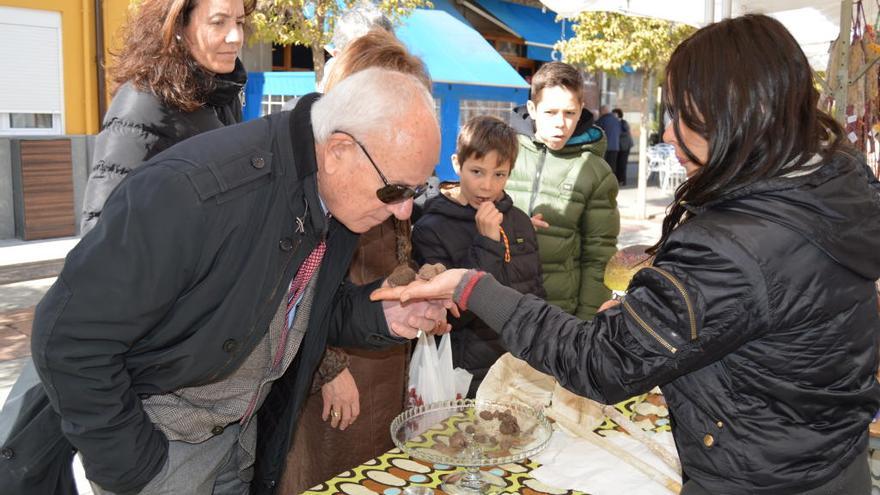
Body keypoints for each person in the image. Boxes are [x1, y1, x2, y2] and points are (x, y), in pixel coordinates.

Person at [373, 14, 880, 495]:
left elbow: (601, 363)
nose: (666, 133)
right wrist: (659, 309)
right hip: (829, 464)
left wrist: (473, 287)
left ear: (734, 115)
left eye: (682, 114)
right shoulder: (836, 183)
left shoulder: (737, 242)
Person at [5, 69, 447, 495]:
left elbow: (303, 311)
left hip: (237, 441)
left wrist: (385, 313)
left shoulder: (333, 194)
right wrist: (135, 468)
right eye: (396, 191)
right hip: (161, 449)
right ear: (338, 150)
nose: (405, 211)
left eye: (417, 191)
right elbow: (67, 336)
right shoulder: (197, 192)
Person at [278, 29, 432, 494]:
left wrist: (421, 281)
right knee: (325, 473)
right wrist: (330, 367)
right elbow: (299, 294)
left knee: (379, 472)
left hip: (383, 357)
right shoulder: (324, 177)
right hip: (336, 370)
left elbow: (393, 259)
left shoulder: (392, 169)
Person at [80, 0, 250, 235]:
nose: (235, 37)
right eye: (218, 22)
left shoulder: (223, 93)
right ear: (177, 26)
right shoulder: (141, 103)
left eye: (239, 22)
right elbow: (101, 233)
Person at [412, 116, 545, 397]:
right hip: (464, 373)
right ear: (457, 164)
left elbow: (535, 293)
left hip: (516, 368)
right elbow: (450, 314)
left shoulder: (519, 221)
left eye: (499, 174)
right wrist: (487, 243)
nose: (487, 186)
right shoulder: (431, 227)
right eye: (477, 171)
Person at [507, 62, 619, 321]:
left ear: (581, 111)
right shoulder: (502, 151)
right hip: (499, 305)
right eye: (551, 112)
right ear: (533, 109)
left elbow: (599, 255)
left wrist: (585, 324)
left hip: (558, 316)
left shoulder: (595, 171)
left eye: (569, 113)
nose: (561, 123)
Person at [596, 105, 622, 184]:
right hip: (615, 147)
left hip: (605, 147)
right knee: (612, 166)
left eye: (601, 111)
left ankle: (603, 183)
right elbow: (619, 132)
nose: (600, 113)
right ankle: (612, 182)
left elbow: (597, 131)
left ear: (603, 111)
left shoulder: (602, 119)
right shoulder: (616, 120)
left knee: (603, 166)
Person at [613, 108, 634, 186]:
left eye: (614, 114)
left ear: (618, 115)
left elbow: (626, 132)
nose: (613, 115)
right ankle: (619, 180)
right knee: (618, 163)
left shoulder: (623, 122)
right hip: (619, 146)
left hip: (625, 146)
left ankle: (622, 180)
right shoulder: (616, 122)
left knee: (622, 163)